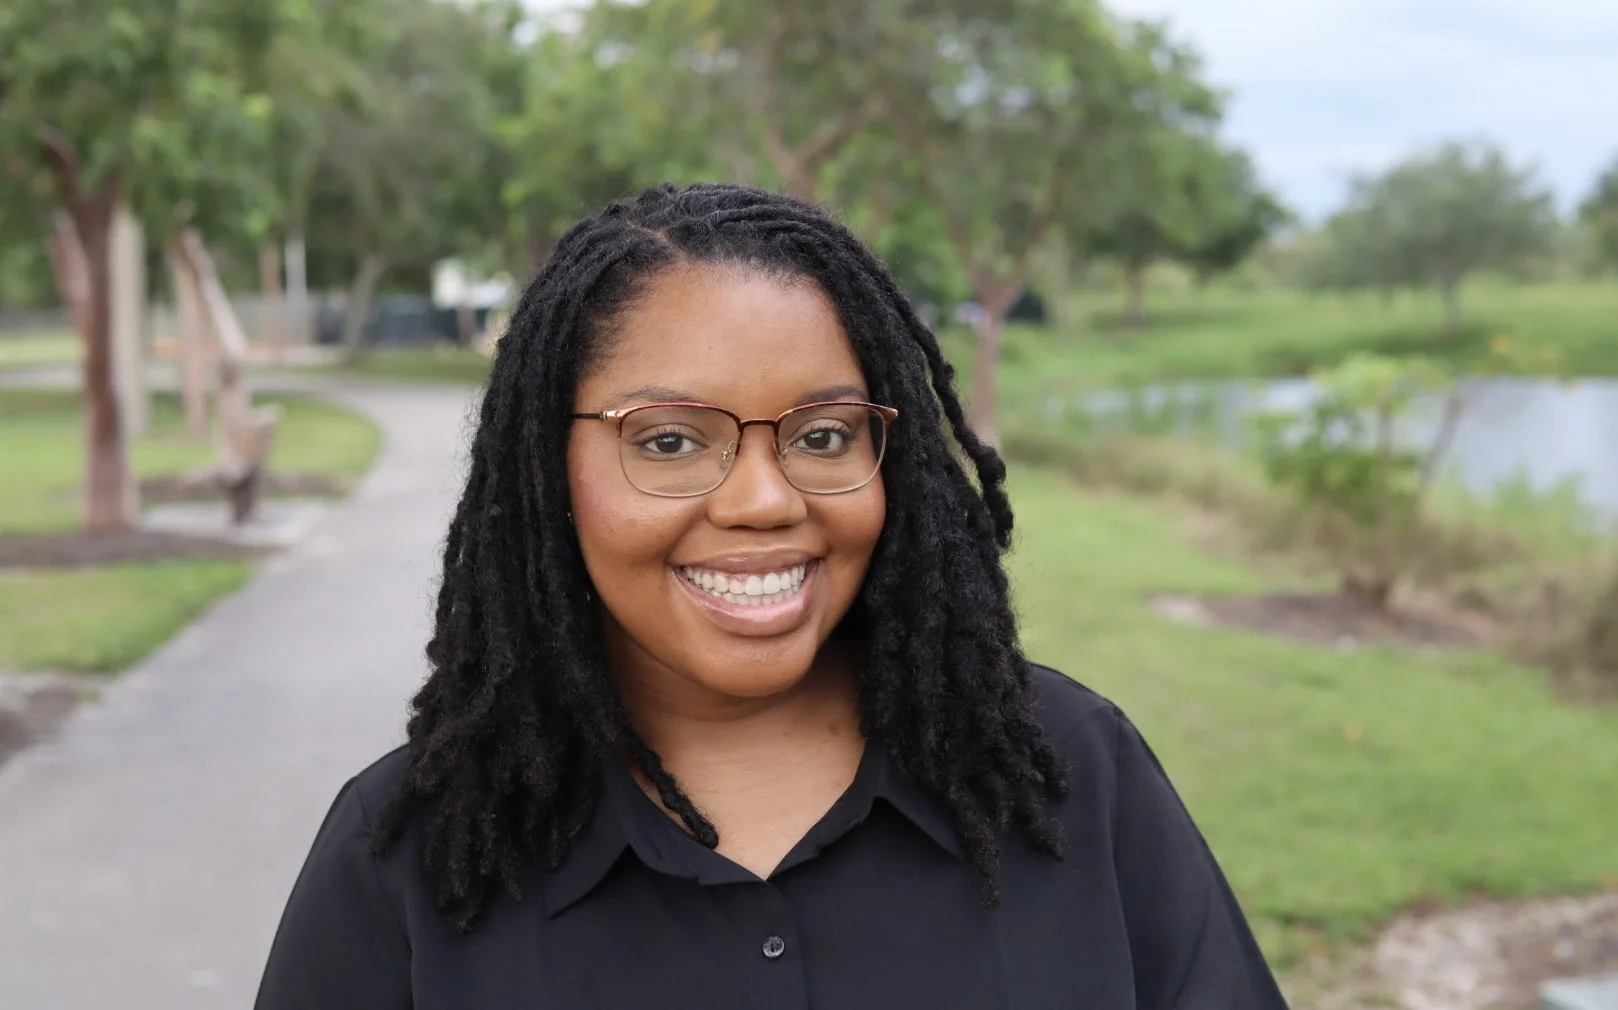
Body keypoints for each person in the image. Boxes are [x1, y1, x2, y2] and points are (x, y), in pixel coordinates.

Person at [255, 183, 1289, 1009]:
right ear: (544, 467)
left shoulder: (1070, 769)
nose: (764, 498)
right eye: (668, 440)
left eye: (824, 434)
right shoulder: (403, 855)